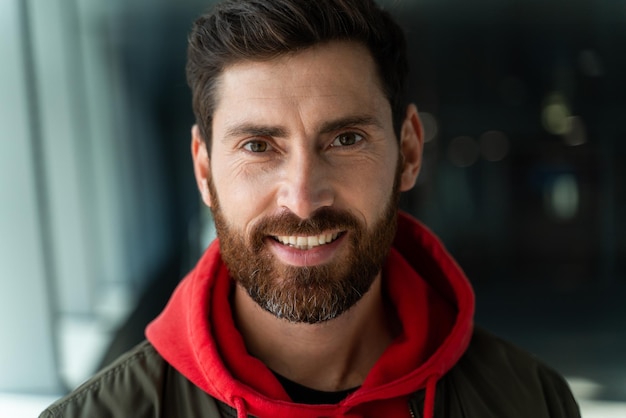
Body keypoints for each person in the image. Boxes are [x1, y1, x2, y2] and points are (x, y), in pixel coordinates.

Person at [41, 0, 581, 417]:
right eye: (258, 146)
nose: (302, 199)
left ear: (409, 153)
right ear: (204, 170)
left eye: (345, 139)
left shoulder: (532, 402)